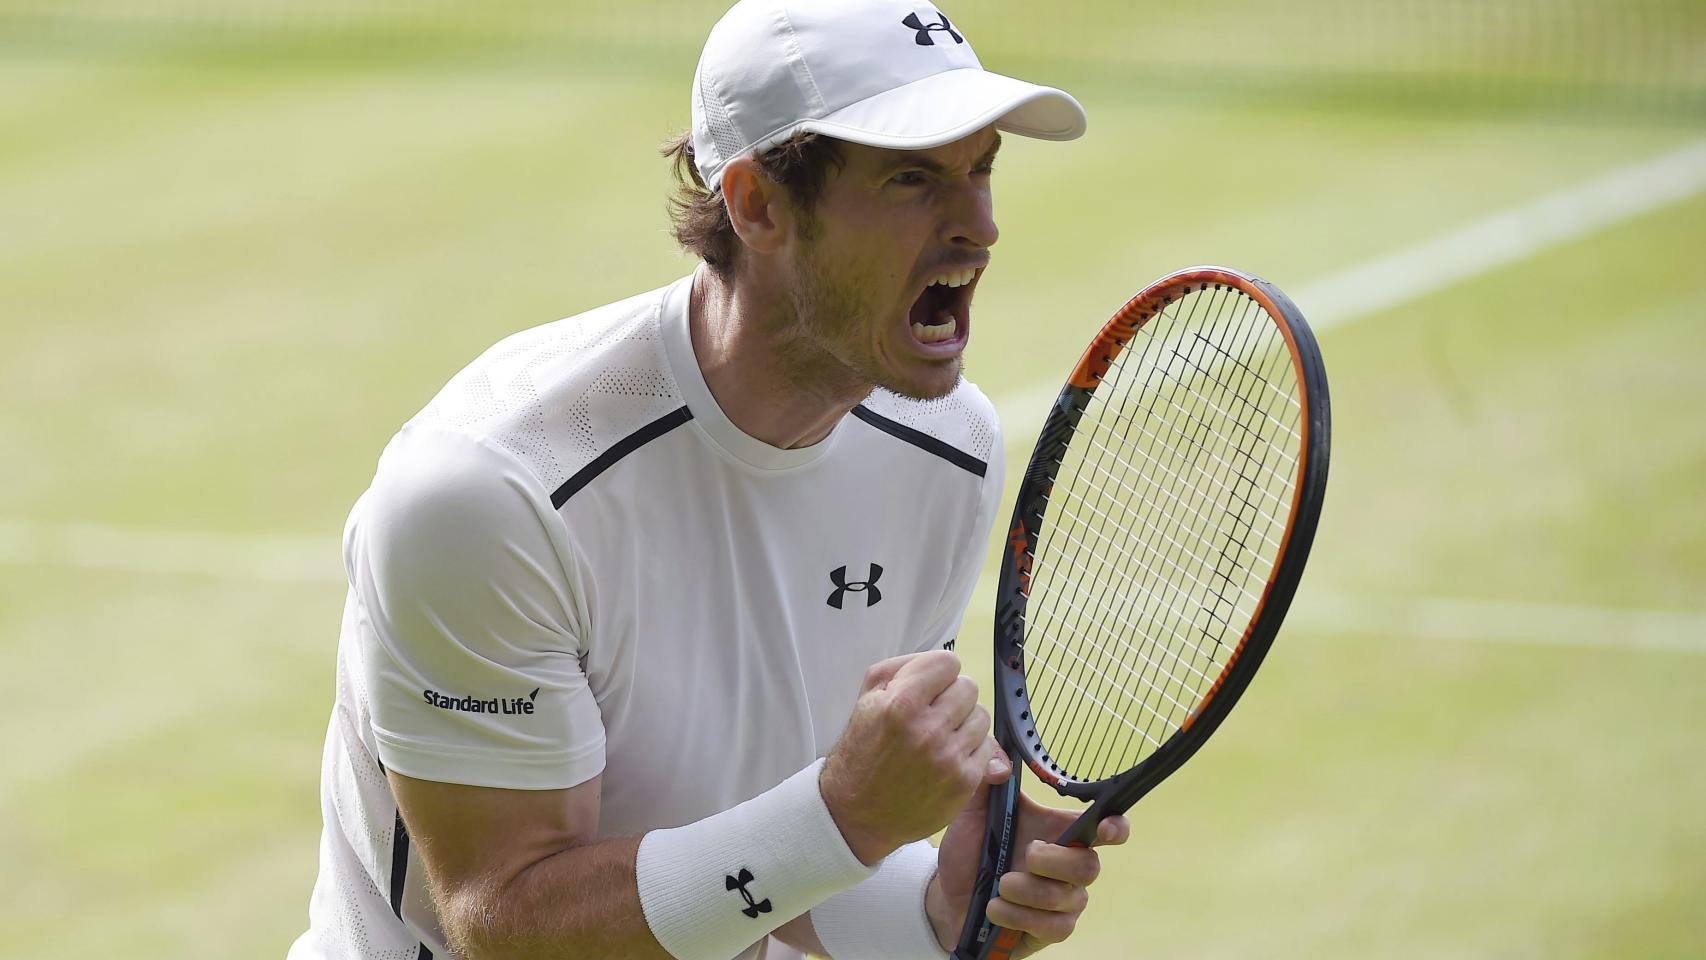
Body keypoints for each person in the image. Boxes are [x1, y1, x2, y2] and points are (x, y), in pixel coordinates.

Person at [289, 2, 1127, 958]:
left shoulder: (948, 450)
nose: (979, 227)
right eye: (911, 179)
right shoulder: (490, 492)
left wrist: (938, 910)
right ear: (757, 204)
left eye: (982, 169)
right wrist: (845, 818)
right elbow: (506, 923)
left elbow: (767, 864)